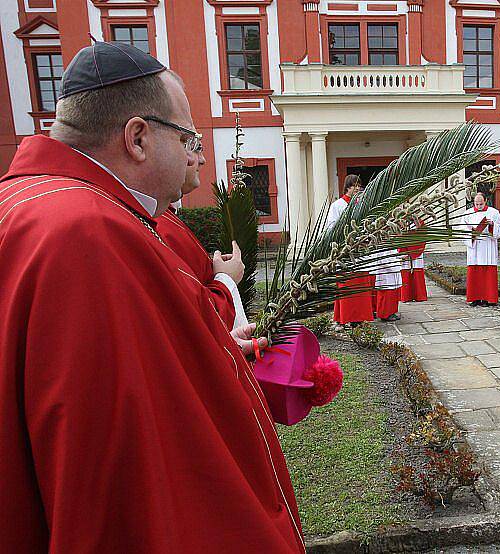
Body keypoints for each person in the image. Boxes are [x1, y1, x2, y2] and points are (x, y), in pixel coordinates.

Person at [0, 42, 304, 552]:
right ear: (138, 137)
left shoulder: (38, 204)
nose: (194, 152)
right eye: (187, 136)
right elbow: (119, 473)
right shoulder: (89, 234)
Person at [158, 143, 249, 329]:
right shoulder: (161, 225)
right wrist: (226, 277)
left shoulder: (163, 217)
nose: (200, 159)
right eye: (193, 146)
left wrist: (212, 269)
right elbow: (195, 317)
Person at [326, 174, 374, 326]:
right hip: (346, 251)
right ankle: (346, 317)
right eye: (355, 186)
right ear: (347, 187)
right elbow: (331, 227)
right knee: (347, 284)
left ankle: (360, 316)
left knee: (360, 285)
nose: (358, 188)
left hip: (361, 251)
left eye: (359, 186)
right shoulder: (338, 205)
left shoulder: (362, 204)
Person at [463, 192, 500, 307]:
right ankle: (475, 298)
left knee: (488, 272)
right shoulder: (468, 213)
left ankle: (488, 298)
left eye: (481, 204)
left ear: (485, 201)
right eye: (476, 204)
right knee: (474, 272)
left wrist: (492, 225)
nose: (478, 206)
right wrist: (471, 232)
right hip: (475, 246)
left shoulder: (493, 212)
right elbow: (462, 229)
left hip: (488, 246)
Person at [400, 219, 428, 302]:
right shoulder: (399, 221)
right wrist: (403, 250)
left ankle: (419, 295)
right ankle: (405, 296)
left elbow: (423, 235)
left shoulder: (420, 222)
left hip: (417, 247)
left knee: (417, 269)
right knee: (405, 270)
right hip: (403, 248)